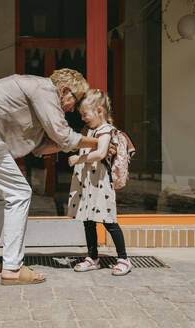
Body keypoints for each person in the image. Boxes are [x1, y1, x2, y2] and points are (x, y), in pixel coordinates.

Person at [0, 69, 106, 285]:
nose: (72, 108)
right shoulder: (45, 89)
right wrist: (100, 141)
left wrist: (78, 144)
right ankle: (12, 269)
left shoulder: (35, 100)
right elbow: (64, 136)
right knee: (20, 193)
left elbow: (41, 147)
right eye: (73, 102)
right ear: (64, 90)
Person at [67, 89, 132, 276]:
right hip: (88, 183)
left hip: (100, 183)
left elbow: (101, 153)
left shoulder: (105, 130)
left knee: (109, 220)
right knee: (88, 220)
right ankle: (92, 257)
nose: (83, 118)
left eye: (85, 114)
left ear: (99, 110)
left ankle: (123, 259)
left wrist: (78, 159)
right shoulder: (90, 130)